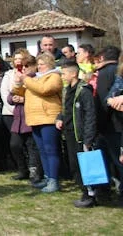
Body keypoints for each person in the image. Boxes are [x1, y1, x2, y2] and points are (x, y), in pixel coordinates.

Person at [14, 53, 62, 193]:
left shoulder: (54, 77)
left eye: (42, 64)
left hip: (48, 118)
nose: (39, 67)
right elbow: (19, 91)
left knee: (50, 150)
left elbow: (44, 90)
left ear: (50, 64)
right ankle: (47, 177)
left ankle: (54, 179)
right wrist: (19, 81)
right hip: (35, 119)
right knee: (42, 151)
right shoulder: (34, 79)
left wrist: (26, 80)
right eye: (39, 64)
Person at [56, 61, 98, 207]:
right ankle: (85, 192)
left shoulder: (83, 91)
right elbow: (65, 109)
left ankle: (90, 195)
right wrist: (60, 118)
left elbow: (90, 115)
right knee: (74, 166)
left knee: (85, 166)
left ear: (73, 73)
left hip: (80, 136)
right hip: (69, 134)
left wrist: (88, 138)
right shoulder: (67, 90)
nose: (62, 76)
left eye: (64, 73)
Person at [1, 50, 42, 182]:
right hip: (18, 118)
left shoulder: (37, 79)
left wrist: (24, 100)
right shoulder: (19, 79)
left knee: (32, 147)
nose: (24, 69)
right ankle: (22, 169)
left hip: (31, 117)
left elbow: (39, 97)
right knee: (15, 145)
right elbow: (9, 96)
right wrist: (15, 98)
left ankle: (34, 172)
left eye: (26, 66)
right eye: (22, 66)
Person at [94, 46, 123, 201]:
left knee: (114, 159)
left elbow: (103, 101)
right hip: (115, 123)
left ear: (103, 57)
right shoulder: (117, 71)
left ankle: (104, 190)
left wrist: (98, 124)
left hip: (110, 124)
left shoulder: (105, 73)